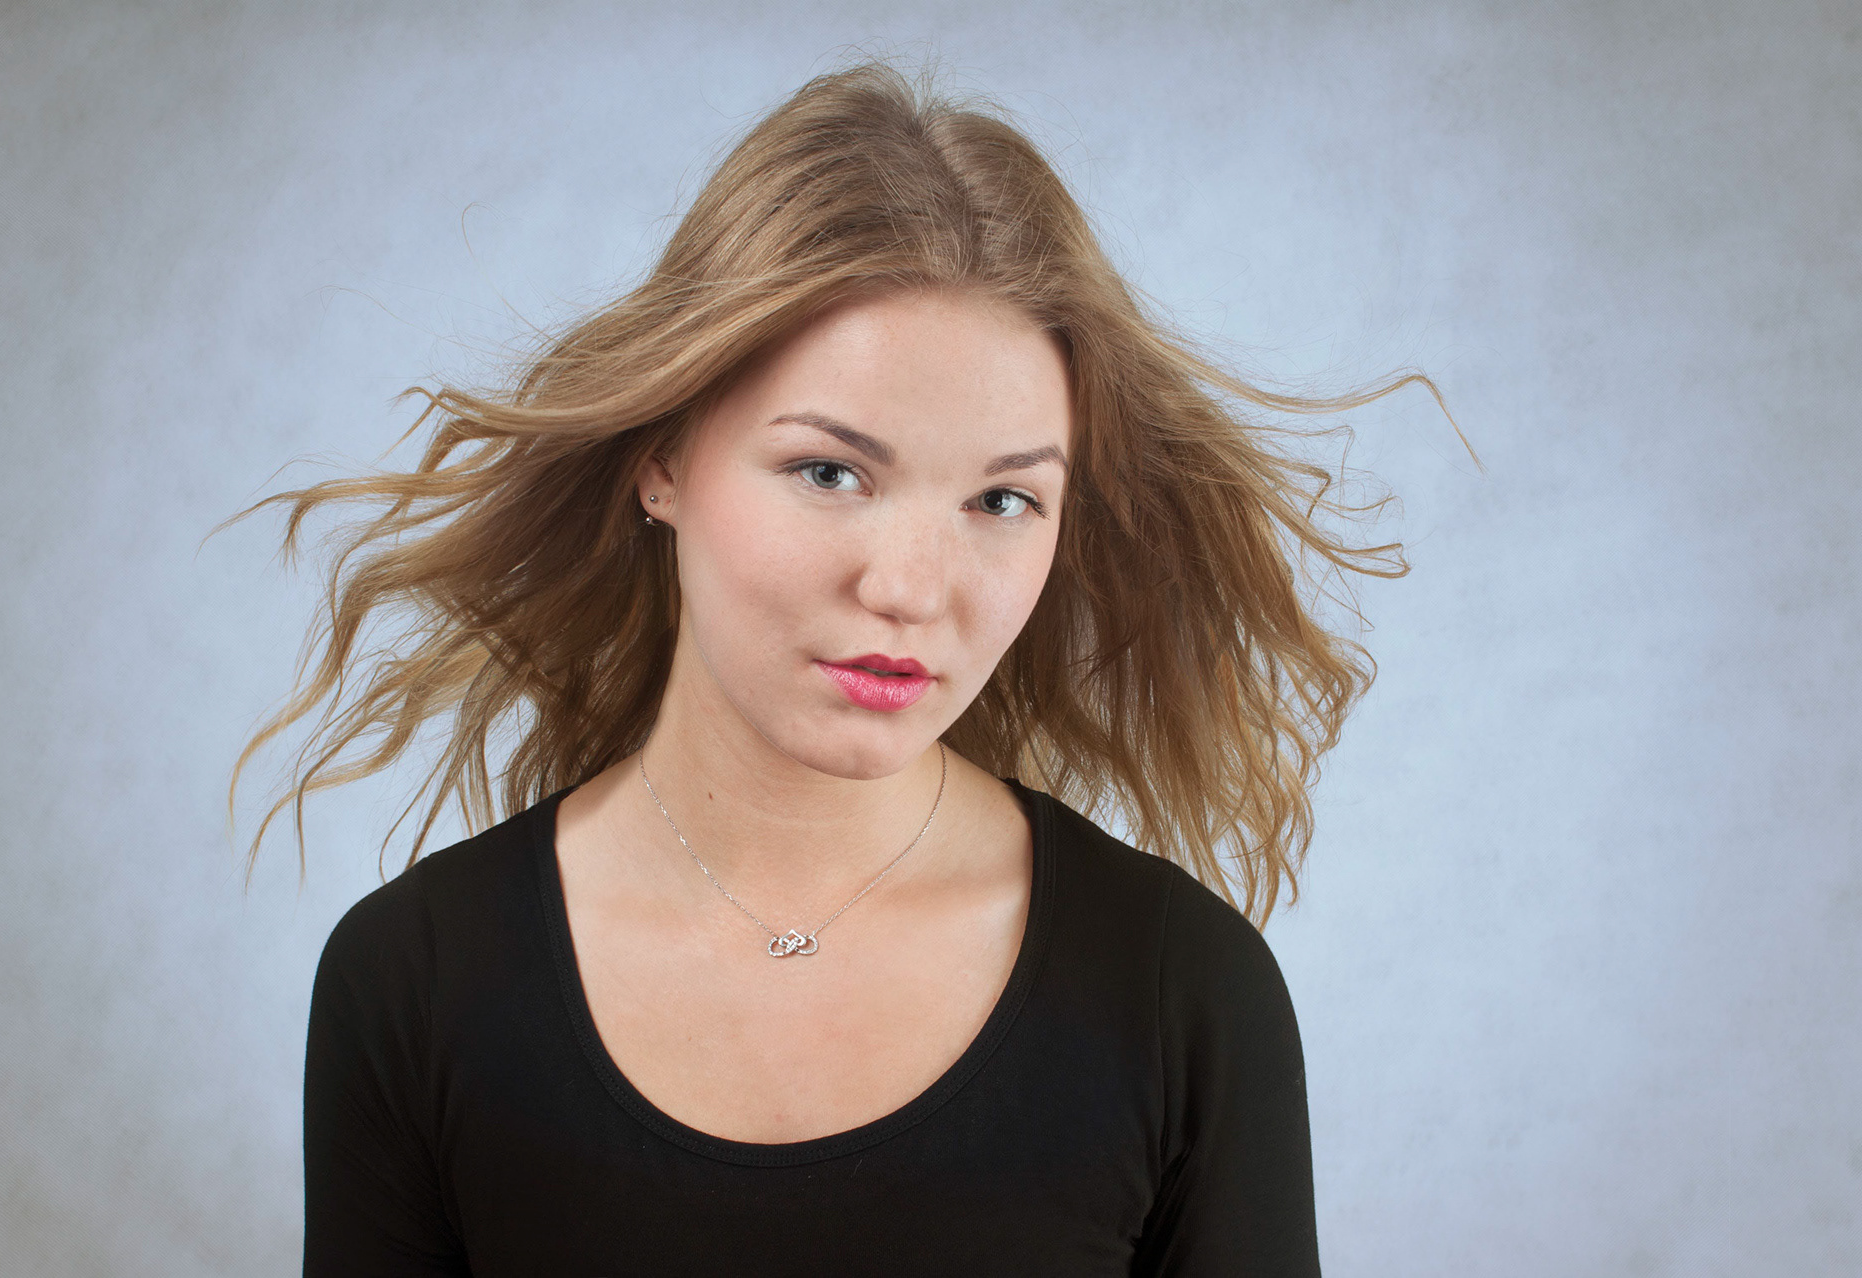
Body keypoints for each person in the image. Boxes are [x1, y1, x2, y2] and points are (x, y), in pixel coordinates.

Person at [232, 59, 1441, 1276]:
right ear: (663, 457)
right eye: (830, 472)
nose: (911, 588)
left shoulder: (1184, 997)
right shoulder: (416, 984)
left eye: (1003, 499)